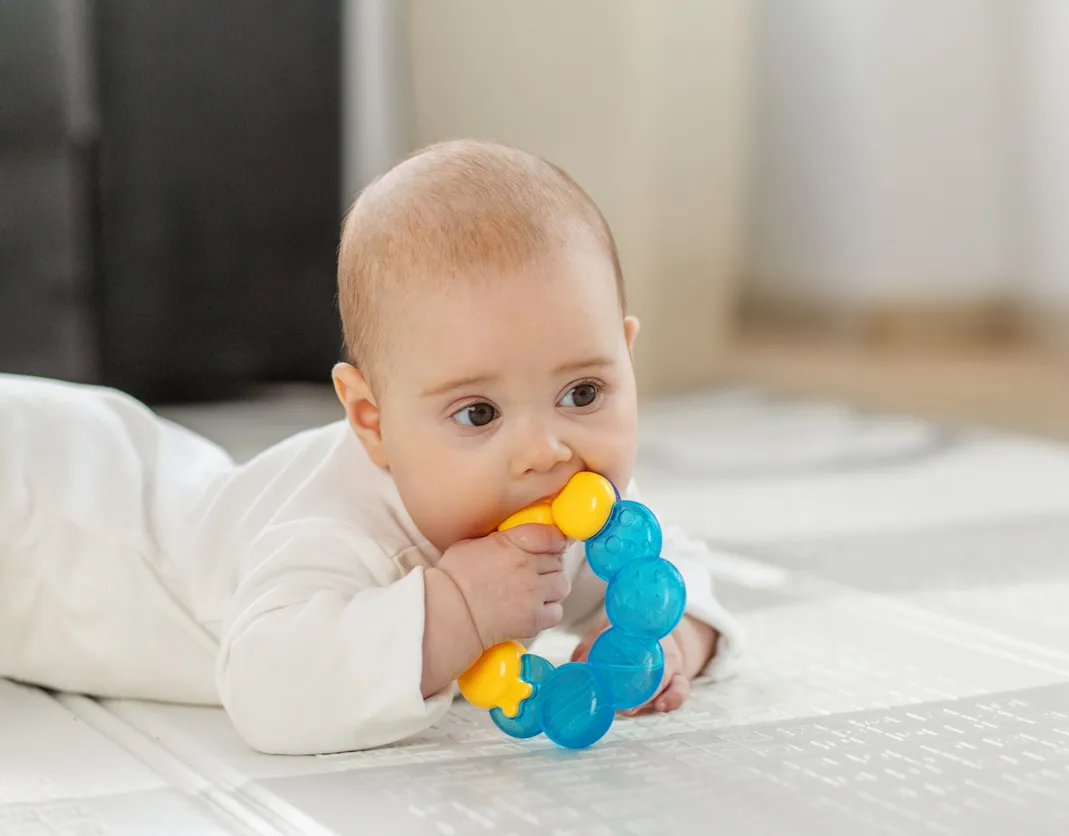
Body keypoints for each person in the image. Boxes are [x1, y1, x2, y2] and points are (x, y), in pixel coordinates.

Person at [0, 139, 742, 755]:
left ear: (625, 355)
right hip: (48, 517)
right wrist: (454, 610)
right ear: (372, 420)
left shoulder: (560, 506)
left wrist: (668, 635)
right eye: (478, 411)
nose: (545, 451)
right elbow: (267, 693)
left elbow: (673, 567)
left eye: (583, 393)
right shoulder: (334, 528)